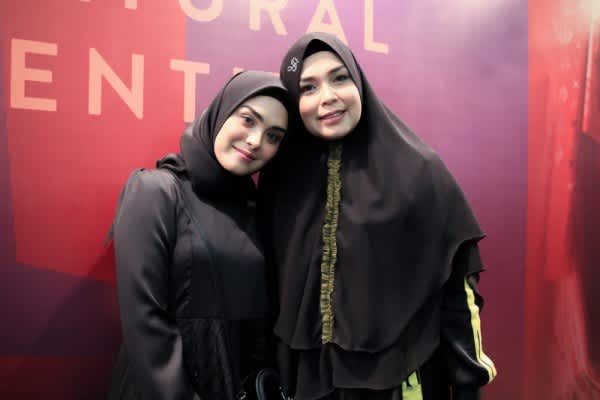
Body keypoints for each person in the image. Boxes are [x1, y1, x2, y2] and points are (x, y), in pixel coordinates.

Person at [258, 32, 497, 400]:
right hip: (308, 383)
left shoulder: (419, 171)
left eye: (340, 78)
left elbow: (458, 293)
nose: (328, 97)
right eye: (308, 87)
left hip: (401, 381)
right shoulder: (280, 179)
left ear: (360, 83)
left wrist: (468, 385)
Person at [106, 71, 289, 400]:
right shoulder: (156, 190)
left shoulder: (257, 211)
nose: (255, 140)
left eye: (273, 136)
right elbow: (145, 321)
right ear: (221, 112)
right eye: (248, 120)